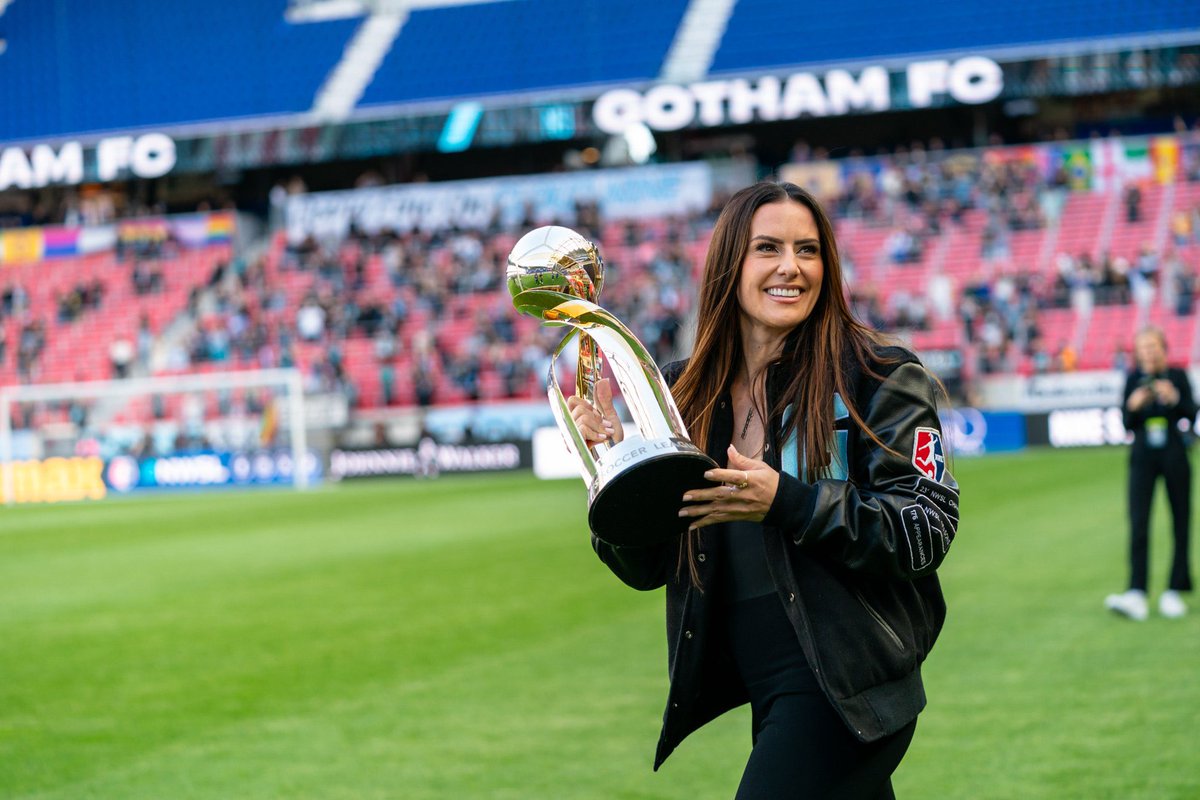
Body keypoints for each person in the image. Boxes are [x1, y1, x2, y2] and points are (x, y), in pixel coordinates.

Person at [569, 182, 959, 799]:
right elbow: (645, 567)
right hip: (762, 682)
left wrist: (787, 502)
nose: (791, 267)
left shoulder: (879, 376)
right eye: (768, 248)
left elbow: (925, 528)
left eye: (808, 250)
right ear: (731, 265)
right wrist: (621, 474)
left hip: (847, 685)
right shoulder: (681, 393)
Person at [1106, 327, 1196, 620]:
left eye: (1153, 346)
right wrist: (1132, 406)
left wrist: (1173, 398)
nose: (1149, 351)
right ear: (1137, 352)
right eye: (1143, 347)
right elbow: (1126, 422)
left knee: (1181, 520)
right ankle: (1137, 593)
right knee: (1139, 523)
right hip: (1143, 456)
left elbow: (1191, 414)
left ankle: (1174, 589)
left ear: (1163, 348)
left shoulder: (1177, 376)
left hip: (1174, 453)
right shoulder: (1133, 379)